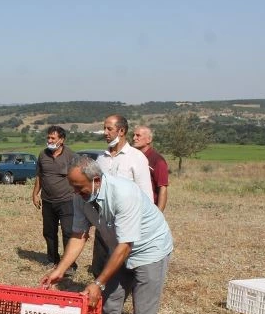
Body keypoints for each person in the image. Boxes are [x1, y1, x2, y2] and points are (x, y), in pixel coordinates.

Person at [40, 156, 173, 314]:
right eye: (73, 187)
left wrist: (98, 283)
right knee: (109, 304)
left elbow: (126, 246)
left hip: (149, 251)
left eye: (79, 187)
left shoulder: (124, 193)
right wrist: (59, 270)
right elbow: (79, 235)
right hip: (118, 250)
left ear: (96, 180)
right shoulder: (81, 197)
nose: (75, 192)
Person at [92, 114, 153, 277]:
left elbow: (146, 195)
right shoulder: (101, 158)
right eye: (104, 128)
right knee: (99, 269)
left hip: (126, 225)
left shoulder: (136, 158)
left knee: (124, 271)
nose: (105, 132)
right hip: (103, 224)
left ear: (121, 131)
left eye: (109, 129)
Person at [32, 126, 77, 275]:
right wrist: (35, 194)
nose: (49, 140)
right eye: (48, 138)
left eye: (53, 138)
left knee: (68, 232)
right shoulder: (43, 155)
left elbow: (78, 177)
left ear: (61, 140)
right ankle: (52, 259)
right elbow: (40, 176)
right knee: (49, 232)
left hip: (67, 201)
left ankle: (69, 264)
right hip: (48, 201)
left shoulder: (70, 156)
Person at [132, 126, 169, 212]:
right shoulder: (132, 157)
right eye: (133, 135)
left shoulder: (158, 160)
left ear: (149, 139)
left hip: (148, 209)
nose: (134, 138)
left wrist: (158, 214)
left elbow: (162, 188)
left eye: (138, 135)